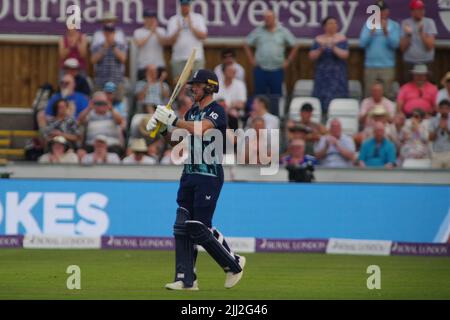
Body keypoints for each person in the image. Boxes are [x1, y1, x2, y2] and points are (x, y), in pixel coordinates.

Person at [146, 69, 245, 290]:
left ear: (210, 87)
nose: (193, 88)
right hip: (189, 173)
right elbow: (178, 142)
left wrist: (173, 119)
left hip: (209, 175)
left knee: (199, 227)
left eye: (197, 85)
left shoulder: (217, 111)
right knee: (181, 227)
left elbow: (202, 129)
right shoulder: (191, 113)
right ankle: (186, 279)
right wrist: (163, 129)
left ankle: (234, 263)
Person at [244, 10, 298, 115]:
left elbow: (295, 45)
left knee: (276, 97)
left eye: (269, 18)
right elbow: (246, 43)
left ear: (275, 18)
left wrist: (288, 61)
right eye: (265, 18)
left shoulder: (283, 31)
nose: (267, 20)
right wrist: (251, 59)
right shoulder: (258, 31)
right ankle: (258, 117)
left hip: (277, 69)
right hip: (260, 69)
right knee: (259, 96)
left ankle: (275, 119)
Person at [309, 16, 349, 118]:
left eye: (335, 23)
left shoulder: (342, 39)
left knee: (338, 101)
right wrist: (321, 49)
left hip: (337, 77)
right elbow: (311, 56)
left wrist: (333, 47)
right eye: (330, 23)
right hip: (322, 76)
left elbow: (345, 55)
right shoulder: (318, 39)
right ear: (325, 26)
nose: (333, 26)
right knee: (320, 102)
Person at [359, 0, 400, 98]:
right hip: (370, 66)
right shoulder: (368, 24)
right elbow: (362, 44)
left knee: (386, 95)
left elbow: (395, 45)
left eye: (383, 10)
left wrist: (386, 32)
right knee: (369, 95)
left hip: (387, 66)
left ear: (387, 11)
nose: (380, 13)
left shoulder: (394, 25)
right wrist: (371, 32)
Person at [166, 0, 207, 78]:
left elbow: (203, 36)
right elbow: (169, 41)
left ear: (190, 6)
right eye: (183, 5)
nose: (185, 7)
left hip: (196, 58)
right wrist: (178, 30)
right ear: (180, 6)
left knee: (196, 85)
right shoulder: (173, 19)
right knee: (180, 87)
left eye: (186, 5)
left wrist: (191, 26)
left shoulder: (198, 18)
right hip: (178, 58)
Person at [399, 0, 437, 83]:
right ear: (412, 11)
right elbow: (402, 48)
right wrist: (408, 35)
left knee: (427, 88)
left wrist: (421, 33)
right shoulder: (405, 23)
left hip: (427, 61)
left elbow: (430, 46)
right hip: (410, 62)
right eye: (418, 9)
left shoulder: (429, 22)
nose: (421, 11)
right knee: (408, 88)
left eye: (422, 9)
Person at [90, 23, 127, 95]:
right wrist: (104, 49)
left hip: (117, 81)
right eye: (107, 32)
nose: (109, 34)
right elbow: (93, 61)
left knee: (117, 103)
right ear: (104, 33)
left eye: (111, 32)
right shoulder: (97, 46)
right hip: (101, 81)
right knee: (99, 103)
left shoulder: (120, 45)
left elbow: (123, 59)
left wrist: (113, 47)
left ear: (114, 33)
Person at [133, 9, 168, 80]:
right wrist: (151, 32)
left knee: (160, 88)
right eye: (148, 17)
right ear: (144, 19)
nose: (151, 20)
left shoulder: (161, 31)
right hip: (143, 66)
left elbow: (164, 43)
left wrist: (155, 31)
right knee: (143, 88)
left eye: (153, 17)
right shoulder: (138, 31)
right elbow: (139, 44)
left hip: (159, 66)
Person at [428, 100, 450, 168]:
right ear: (439, 109)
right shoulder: (433, 120)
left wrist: (446, 129)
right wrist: (438, 127)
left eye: (446, 108)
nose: (444, 110)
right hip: (437, 153)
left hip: (449, 153)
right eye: (442, 108)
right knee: (434, 177)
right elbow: (430, 138)